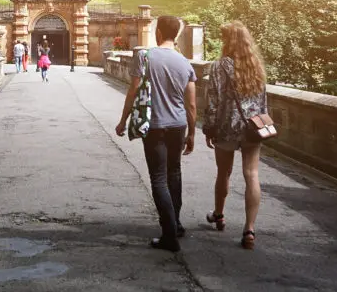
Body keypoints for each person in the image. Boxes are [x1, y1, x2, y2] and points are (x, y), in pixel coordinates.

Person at [115, 15, 196, 252]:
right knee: (175, 173)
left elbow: (133, 91)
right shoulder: (185, 62)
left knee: (159, 178)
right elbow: (191, 105)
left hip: (155, 125)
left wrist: (123, 120)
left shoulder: (146, 56)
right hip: (179, 125)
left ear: (158, 33)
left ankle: (169, 234)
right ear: (177, 34)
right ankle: (176, 223)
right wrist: (192, 134)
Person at [202, 21, 268, 251]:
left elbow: (212, 102)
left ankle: (219, 215)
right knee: (252, 174)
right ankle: (249, 229)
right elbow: (262, 102)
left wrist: (209, 128)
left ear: (227, 40)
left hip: (227, 128)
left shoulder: (219, 66)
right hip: (251, 128)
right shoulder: (255, 65)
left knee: (224, 172)